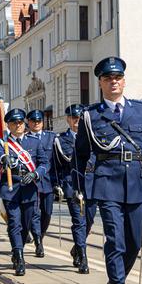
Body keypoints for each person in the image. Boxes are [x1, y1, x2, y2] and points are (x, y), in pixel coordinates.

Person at [75, 56, 142, 284]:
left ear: (124, 81)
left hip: (137, 183)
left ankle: (115, 282)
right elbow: (80, 155)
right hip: (106, 184)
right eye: (107, 78)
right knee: (115, 241)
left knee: (134, 243)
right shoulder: (90, 116)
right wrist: (84, 189)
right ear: (100, 83)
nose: (113, 82)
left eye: (117, 78)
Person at [0, 108, 48, 276]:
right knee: (14, 224)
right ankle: (18, 255)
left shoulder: (34, 141)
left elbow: (44, 163)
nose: (18, 125)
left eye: (20, 122)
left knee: (26, 224)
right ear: (8, 125)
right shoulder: (2, 142)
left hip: (29, 187)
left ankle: (20, 247)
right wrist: (5, 158)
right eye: (14, 123)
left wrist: (36, 173)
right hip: (11, 188)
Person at [53, 104, 93, 274]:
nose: (77, 122)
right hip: (72, 184)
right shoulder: (61, 140)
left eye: (80, 118)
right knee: (79, 221)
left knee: (89, 221)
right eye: (74, 118)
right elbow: (58, 163)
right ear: (68, 119)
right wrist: (57, 184)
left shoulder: (92, 137)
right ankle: (83, 257)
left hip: (91, 184)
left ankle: (77, 248)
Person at [26, 109, 56, 258]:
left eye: (39, 121)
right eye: (33, 121)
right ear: (29, 123)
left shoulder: (51, 137)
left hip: (48, 182)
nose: (36, 123)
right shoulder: (24, 140)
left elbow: (56, 161)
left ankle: (40, 235)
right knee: (34, 213)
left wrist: (59, 181)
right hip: (32, 183)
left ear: (43, 123)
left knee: (47, 213)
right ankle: (38, 242)